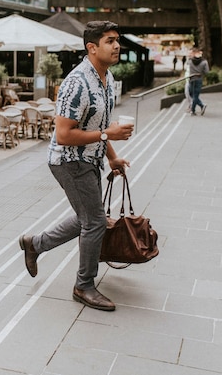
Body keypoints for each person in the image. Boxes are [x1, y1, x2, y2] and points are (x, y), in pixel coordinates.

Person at [18, 21, 133, 312]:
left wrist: (111, 156)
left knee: (88, 217)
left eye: (117, 40)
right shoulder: (77, 82)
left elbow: (99, 125)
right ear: (91, 47)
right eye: (110, 41)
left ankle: (35, 244)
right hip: (69, 161)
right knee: (94, 221)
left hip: (90, 159)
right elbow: (64, 134)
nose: (117, 45)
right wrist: (109, 135)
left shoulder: (107, 78)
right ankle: (84, 286)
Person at [187, 47, 209, 116]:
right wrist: (201, 73)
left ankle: (193, 110)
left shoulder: (190, 61)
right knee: (195, 95)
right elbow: (207, 72)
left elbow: (187, 65)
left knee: (192, 94)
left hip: (191, 79)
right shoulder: (204, 62)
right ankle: (201, 106)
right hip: (198, 79)